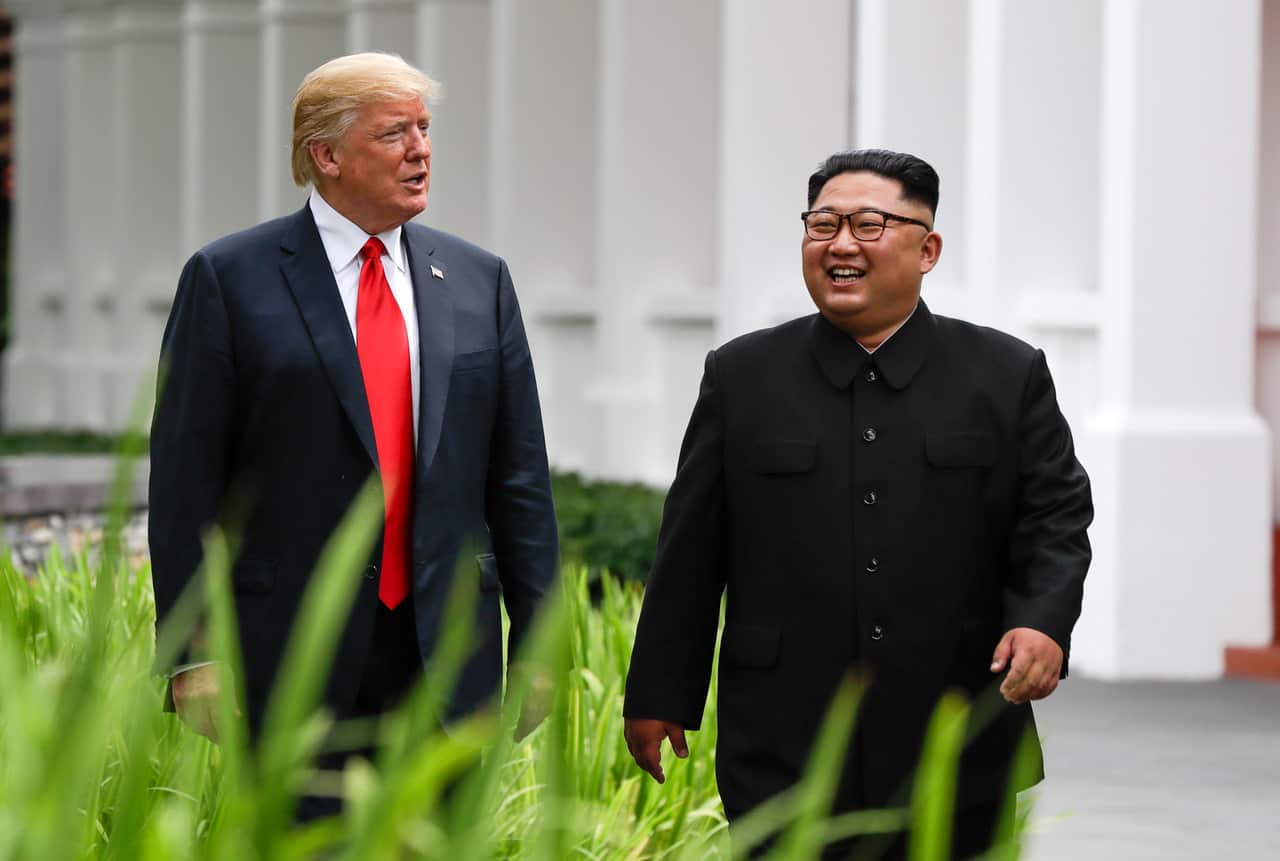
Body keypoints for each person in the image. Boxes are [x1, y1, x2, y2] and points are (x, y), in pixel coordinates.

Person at [622, 149, 1092, 859]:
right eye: (823, 224)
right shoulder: (742, 376)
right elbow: (691, 549)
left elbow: (1056, 516)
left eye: (869, 224)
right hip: (783, 737)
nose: (841, 244)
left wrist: (1043, 623)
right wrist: (660, 691)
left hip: (956, 726)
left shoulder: (1004, 374)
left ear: (928, 248)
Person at [149, 52, 558, 818]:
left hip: (447, 654)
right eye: (394, 132)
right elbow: (185, 480)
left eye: (425, 129)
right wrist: (192, 648)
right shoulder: (229, 278)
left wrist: (538, 642)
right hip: (291, 656)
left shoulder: (479, 281)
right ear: (326, 155)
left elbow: (519, 478)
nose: (420, 149)